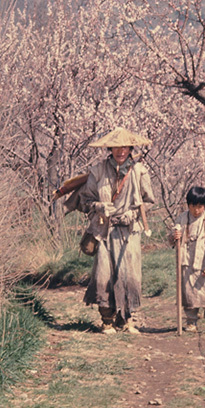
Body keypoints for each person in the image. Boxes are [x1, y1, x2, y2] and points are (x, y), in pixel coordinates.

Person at [72, 128, 156, 334]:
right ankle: (107, 319)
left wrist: (134, 214)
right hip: (104, 230)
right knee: (104, 273)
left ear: (130, 148)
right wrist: (99, 207)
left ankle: (127, 319)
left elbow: (149, 201)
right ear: (110, 148)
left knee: (130, 273)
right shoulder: (98, 171)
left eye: (125, 147)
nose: (121, 151)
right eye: (117, 147)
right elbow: (85, 200)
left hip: (129, 231)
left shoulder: (139, 171)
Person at [168, 186, 205, 332]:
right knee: (189, 292)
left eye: (200, 207)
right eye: (193, 206)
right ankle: (191, 320)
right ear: (188, 205)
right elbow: (172, 236)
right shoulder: (182, 218)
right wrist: (174, 237)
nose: (196, 210)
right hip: (187, 260)